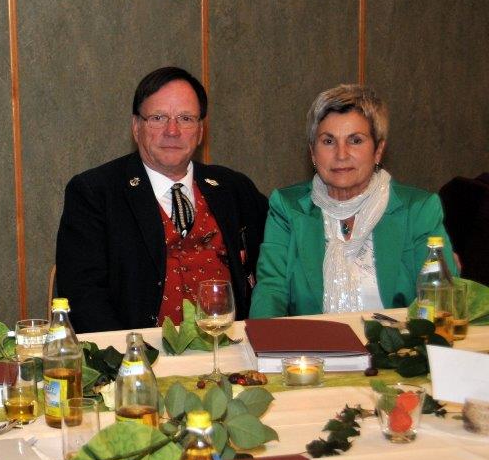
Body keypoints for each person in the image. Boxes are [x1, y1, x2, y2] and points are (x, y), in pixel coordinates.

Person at [56, 66, 269, 333]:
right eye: (158, 118)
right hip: (137, 351)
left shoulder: (235, 188)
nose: (172, 131)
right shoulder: (95, 193)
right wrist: (132, 352)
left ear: (200, 131)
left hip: (227, 347)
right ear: (136, 127)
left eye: (186, 118)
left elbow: (275, 274)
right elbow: (83, 296)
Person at [250, 84, 456, 317]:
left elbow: (441, 301)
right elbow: (270, 291)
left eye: (355, 140)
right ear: (312, 153)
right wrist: (267, 337)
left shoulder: (418, 210)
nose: (341, 154)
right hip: (312, 340)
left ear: (378, 150)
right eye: (328, 141)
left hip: (399, 340)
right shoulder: (287, 208)